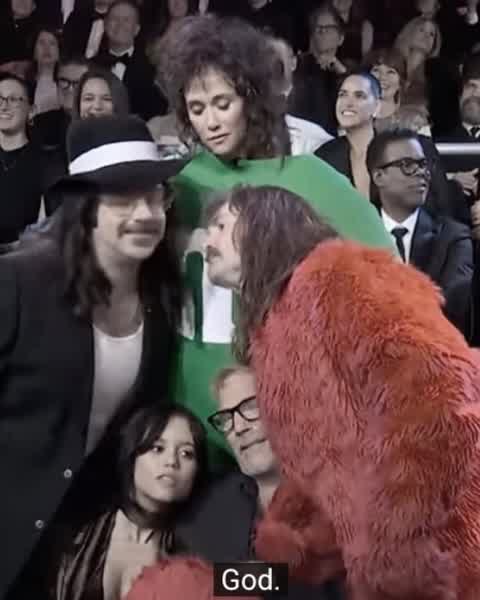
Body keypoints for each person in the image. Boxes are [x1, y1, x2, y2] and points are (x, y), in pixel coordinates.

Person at [204, 184, 480, 600]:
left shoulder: (337, 273)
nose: (207, 240)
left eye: (221, 225)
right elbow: (322, 470)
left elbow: (442, 393)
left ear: (263, 223)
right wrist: (289, 549)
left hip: (446, 553)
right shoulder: (272, 330)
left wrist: (398, 539)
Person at [160, 14, 395, 468]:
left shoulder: (312, 180)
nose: (210, 122)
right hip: (188, 421)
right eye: (196, 108)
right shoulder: (179, 184)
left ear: (251, 97)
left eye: (222, 103)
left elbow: (389, 288)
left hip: (287, 420)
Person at [0, 114, 187, 599]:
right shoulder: (19, 283)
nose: (146, 213)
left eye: (155, 197)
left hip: (77, 543)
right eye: (124, 198)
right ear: (86, 209)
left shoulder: (162, 300)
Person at [175, 365, 346, 600]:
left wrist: (235, 579)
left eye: (251, 407)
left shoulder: (338, 498)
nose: (239, 427)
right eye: (226, 419)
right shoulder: (212, 504)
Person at [42, 404, 208, 600]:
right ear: (132, 455)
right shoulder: (78, 531)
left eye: (186, 453)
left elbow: (241, 585)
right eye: (158, 448)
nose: (171, 461)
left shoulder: (203, 546)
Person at [367, 128, 473, 336]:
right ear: (379, 176)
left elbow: (454, 307)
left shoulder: (454, 237)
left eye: (423, 164)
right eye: (407, 165)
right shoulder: (353, 237)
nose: (421, 172)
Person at [0, 73, 63, 247]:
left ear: (31, 111)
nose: (4, 106)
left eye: (13, 99)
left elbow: (54, 225)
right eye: (0, 99)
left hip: (22, 255)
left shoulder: (48, 164)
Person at [316, 70, 381, 200]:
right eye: (343, 95)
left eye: (359, 96)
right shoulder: (324, 156)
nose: (348, 103)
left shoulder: (395, 150)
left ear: (377, 107)